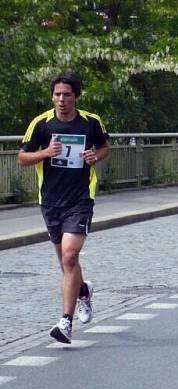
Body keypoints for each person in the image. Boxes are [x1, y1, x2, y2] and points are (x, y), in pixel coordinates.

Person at [18, 72, 111, 344]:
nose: (61, 99)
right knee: (65, 262)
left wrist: (96, 156)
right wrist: (45, 153)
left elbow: (105, 147)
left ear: (76, 97)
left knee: (70, 257)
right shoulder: (41, 124)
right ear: (52, 96)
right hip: (50, 201)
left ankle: (65, 322)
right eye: (57, 94)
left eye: (67, 94)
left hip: (81, 198)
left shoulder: (90, 122)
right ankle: (82, 291)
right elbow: (22, 157)